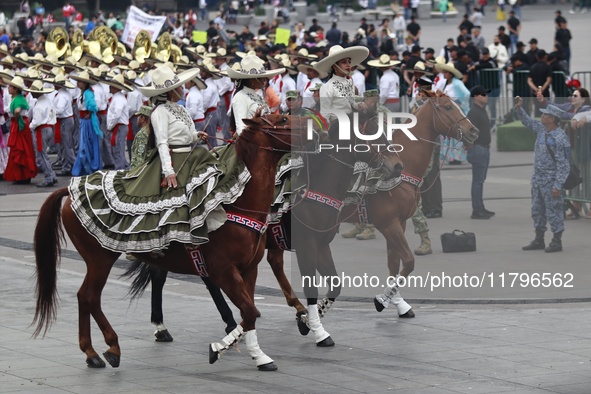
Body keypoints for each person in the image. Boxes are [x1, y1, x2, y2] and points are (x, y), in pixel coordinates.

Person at [515, 97, 570, 253]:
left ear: (551, 119)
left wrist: (558, 185)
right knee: (537, 210)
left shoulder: (560, 138)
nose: (542, 116)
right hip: (538, 179)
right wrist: (519, 109)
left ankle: (556, 241)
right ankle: (539, 239)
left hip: (551, 181)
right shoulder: (541, 129)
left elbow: (563, 165)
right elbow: (527, 122)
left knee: (554, 211)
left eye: (545, 114)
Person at [227, 54, 284, 135]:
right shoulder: (240, 97)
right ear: (252, 80)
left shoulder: (256, 95)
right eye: (261, 78)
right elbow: (241, 128)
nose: (264, 81)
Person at [467, 86, 495, 219]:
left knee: (480, 180)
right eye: (483, 94)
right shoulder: (474, 112)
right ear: (476, 97)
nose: (486, 96)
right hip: (478, 148)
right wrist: (471, 147)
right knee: (478, 181)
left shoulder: (481, 110)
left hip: (484, 148)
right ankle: (476, 209)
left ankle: (480, 207)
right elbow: (469, 132)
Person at [3, 76, 37, 184]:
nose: (8, 88)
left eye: (11, 87)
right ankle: (23, 175)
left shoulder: (17, 99)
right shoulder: (18, 98)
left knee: (20, 149)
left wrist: (17, 119)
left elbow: (17, 111)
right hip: (20, 123)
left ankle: (22, 176)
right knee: (23, 149)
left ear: (16, 89)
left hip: (18, 124)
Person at [70, 70, 102, 176]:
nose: (78, 83)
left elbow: (93, 105)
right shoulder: (83, 93)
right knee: (85, 145)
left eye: (80, 81)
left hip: (87, 122)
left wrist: (90, 112)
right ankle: (85, 167)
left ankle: (89, 167)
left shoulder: (88, 93)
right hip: (84, 121)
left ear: (84, 83)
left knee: (87, 145)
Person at [28, 80, 58, 187]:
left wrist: (30, 126)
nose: (30, 93)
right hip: (49, 127)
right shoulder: (47, 100)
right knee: (44, 154)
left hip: (41, 129)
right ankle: (52, 175)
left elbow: (36, 121)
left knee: (41, 155)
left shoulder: (39, 105)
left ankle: (49, 177)